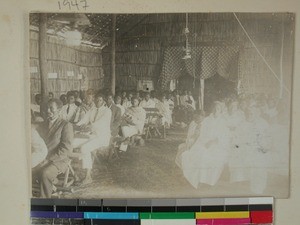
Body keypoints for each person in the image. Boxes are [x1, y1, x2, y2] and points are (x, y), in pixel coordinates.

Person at [181, 101, 230, 188]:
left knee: (209, 157)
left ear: (221, 110)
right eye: (214, 108)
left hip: (218, 144)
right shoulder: (207, 120)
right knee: (194, 155)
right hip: (204, 142)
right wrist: (206, 142)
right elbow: (202, 134)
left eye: (218, 108)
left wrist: (214, 141)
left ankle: (206, 180)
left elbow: (225, 135)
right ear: (211, 109)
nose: (215, 110)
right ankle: (198, 179)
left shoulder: (223, 121)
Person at [37, 99, 74, 198]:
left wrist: (49, 160)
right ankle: (53, 184)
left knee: (45, 174)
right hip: (42, 158)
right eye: (47, 108)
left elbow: (66, 150)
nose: (48, 111)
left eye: (51, 108)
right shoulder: (42, 125)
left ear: (59, 110)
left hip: (59, 160)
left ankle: (44, 202)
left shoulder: (66, 125)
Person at [76, 93, 112, 184]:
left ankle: (88, 176)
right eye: (96, 99)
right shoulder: (92, 110)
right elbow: (83, 120)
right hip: (91, 135)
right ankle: (72, 171)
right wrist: (76, 126)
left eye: (100, 100)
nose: (97, 102)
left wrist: (89, 127)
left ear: (103, 101)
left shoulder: (107, 111)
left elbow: (101, 123)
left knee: (85, 147)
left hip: (102, 137)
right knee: (73, 142)